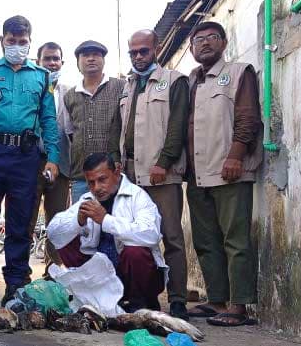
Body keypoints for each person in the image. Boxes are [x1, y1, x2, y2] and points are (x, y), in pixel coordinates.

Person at [0, 15, 60, 310]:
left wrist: (53, 157)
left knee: (20, 225)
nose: (17, 46)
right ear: (2, 40)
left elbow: (48, 120)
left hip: (24, 158)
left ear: (30, 42)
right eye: (11, 41)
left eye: (22, 42)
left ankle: (16, 285)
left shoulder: (42, 77)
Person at [184, 21, 262, 326]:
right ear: (191, 48)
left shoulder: (239, 72)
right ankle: (216, 301)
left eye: (211, 38)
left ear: (224, 42)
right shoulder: (191, 80)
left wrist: (235, 155)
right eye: (198, 40)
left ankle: (239, 306)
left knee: (236, 240)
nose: (204, 44)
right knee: (205, 240)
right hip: (197, 174)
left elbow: (247, 117)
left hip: (229, 169)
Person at [120, 30, 190, 319]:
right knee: (134, 239)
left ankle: (177, 301)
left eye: (144, 51)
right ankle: (143, 297)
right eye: (133, 52)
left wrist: (164, 162)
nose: (138, 57)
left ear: (157, 49)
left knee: (171, 238)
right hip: (132, 174)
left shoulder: (174, 80)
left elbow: (177, 126)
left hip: (163, 173)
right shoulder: (128, 85)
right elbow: (121, 130)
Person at [47, 153, 167, 312]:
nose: (97, 188)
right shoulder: (88, 199)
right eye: (91, 182)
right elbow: (53, 234)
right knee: (66, 239)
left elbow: (151, 234)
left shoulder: (137, 196)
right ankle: (96, 299)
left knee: (135, 252)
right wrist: (77, 221)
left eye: (102, 180)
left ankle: (139, 302)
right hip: (102, 279)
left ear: (116, 173)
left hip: (137, 277)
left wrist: (105, 220)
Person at [28, 42, 71, 277]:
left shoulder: (69, 93)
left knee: (57, 223)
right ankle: (19, 275)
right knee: (27, 218)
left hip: (61, 167)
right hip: (32, 163)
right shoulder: (30, 89)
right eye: (47, 59)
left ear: (62, 63)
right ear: (38, 62)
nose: (52, 63)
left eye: (56, 59)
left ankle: (53, 272)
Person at [63, 40, 124, 203]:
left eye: (96, 55)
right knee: (84, 224)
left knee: (114, 223)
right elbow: (71, 133)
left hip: (114, 174)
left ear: (103, 60)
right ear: (78, 62)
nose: (91, 59)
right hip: (82, 177)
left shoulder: (122, 87)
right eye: (85, 55)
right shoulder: (69, 95)